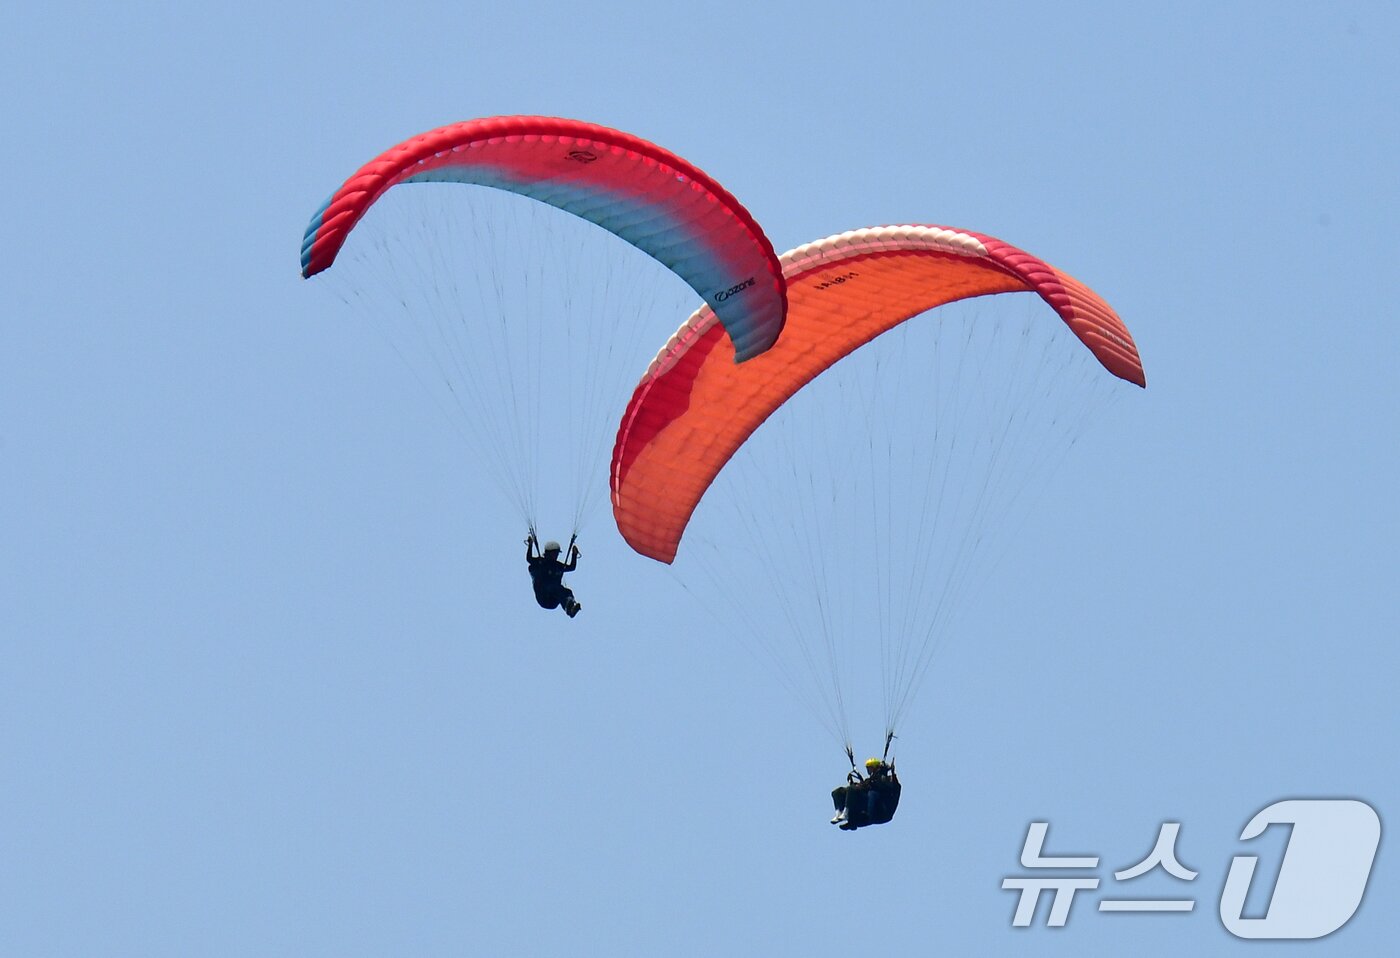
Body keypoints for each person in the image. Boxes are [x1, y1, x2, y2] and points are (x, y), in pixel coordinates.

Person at [830, 757, 901, 830]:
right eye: (868, 768)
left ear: (875, 768)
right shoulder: (870, 781)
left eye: (870, 768)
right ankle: (840, 814)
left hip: (881, 811)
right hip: (866, 814)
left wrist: (889, 772)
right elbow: (863, 786)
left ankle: (846, 813)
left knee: (857, 791)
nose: (868, 770)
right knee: (838, 792)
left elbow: (893, 785)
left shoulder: (887, 780)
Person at [525, 532, 582, 617]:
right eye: (555, 553)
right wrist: (530, 545)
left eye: (557, 554)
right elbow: (529, 558)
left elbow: (571, 567)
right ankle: (568, 605)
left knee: (566, 591)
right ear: (549, 553)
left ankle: (570, 607)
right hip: (543, 596)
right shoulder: (540, 562)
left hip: (553, 600)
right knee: (553, 586)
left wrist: (574, 554)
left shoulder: (557, 565)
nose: (556, 556)